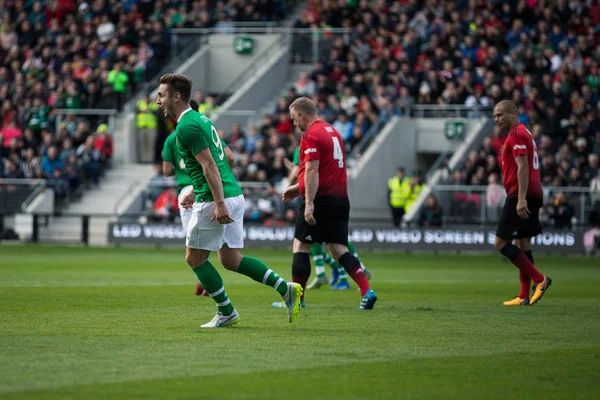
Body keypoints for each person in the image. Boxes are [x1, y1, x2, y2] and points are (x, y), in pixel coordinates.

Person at [155, 73, 302, 328]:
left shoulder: (186, 125)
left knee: (194, 258)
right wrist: (197, 190)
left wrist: (218, 203)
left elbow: (210, 164)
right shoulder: (201, 119)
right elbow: (223, 160)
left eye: (161, 95)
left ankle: (226, 311)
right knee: (231, 260)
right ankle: (285, 289)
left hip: (216, 199)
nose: (158, 101)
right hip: (233, 193)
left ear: (175, 97)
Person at [282, 97, 377, 310]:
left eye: (294, 119)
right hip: (341, 199)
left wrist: (308, 202)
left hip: (321, 199)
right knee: (337, 248)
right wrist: (298, 188)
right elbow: (327, 170)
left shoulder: (311, 134)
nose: (294, 125)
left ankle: (298, 299)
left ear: (301, 115)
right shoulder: (333, 132)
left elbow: (314, 170)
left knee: (301, 245)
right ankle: (366, 290)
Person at [162, 100, 235, 296]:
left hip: (195, 189)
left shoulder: (174, 137)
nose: (160, 103)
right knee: (225, 254)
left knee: (194, 246)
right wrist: (222, 174)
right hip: (219, 185)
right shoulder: (206, 126)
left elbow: (167, 170)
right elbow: (230, 157)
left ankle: (206, 286)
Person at [281, 145, 372, 293]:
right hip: (336, 195)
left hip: (315, 196)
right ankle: (359, 278)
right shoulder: (332, 140)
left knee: (304, 244)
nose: (295, 121)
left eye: (295, 120)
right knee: (335, 244)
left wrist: (288, 185)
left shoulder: (307, 143)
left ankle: (303, 293)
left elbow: (302, 172)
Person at [493, 100, 552, 306]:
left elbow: (523, 167)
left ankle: (540, 279)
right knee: (523, 243)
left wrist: (520, 199)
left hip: (521, 194)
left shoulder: (516, 133)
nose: (497, 119)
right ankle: (523, 295)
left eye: (500, 115)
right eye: (495, 116)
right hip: (533, 193)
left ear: (513, 113)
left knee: (501, 243)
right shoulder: (523, 132)